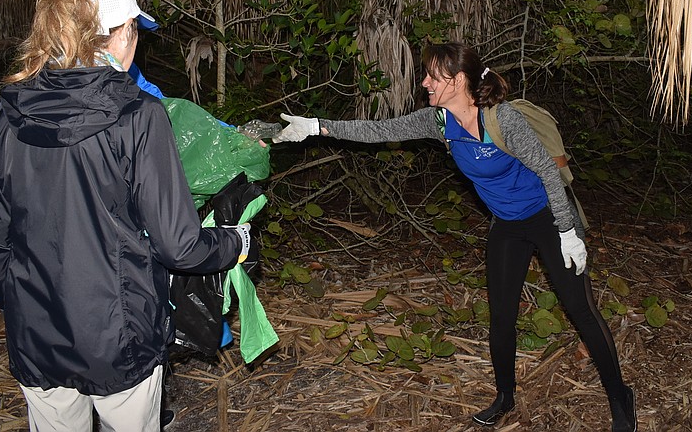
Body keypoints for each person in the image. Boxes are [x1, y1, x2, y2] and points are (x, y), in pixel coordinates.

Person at [272, 42, 637, 431]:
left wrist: (568, 232)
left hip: (549, 218)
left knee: (580, 310)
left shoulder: (503, 118)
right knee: (501, 317)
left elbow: (548, 173)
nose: (425, 82)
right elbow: (380, 130)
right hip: (507, 224)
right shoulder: (439, 121)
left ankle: (620, 398)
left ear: (458, 80)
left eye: (433, 75)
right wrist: (316, 127)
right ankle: (505, 397)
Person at [0, 0, 254, 432]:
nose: (135, 44)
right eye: (133, 31)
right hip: (118, 337)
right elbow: (179, 245)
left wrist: (23, 308)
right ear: (119, 34)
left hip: (36, 334)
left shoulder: (5, 117)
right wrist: (235, 241)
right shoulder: (138, 117)